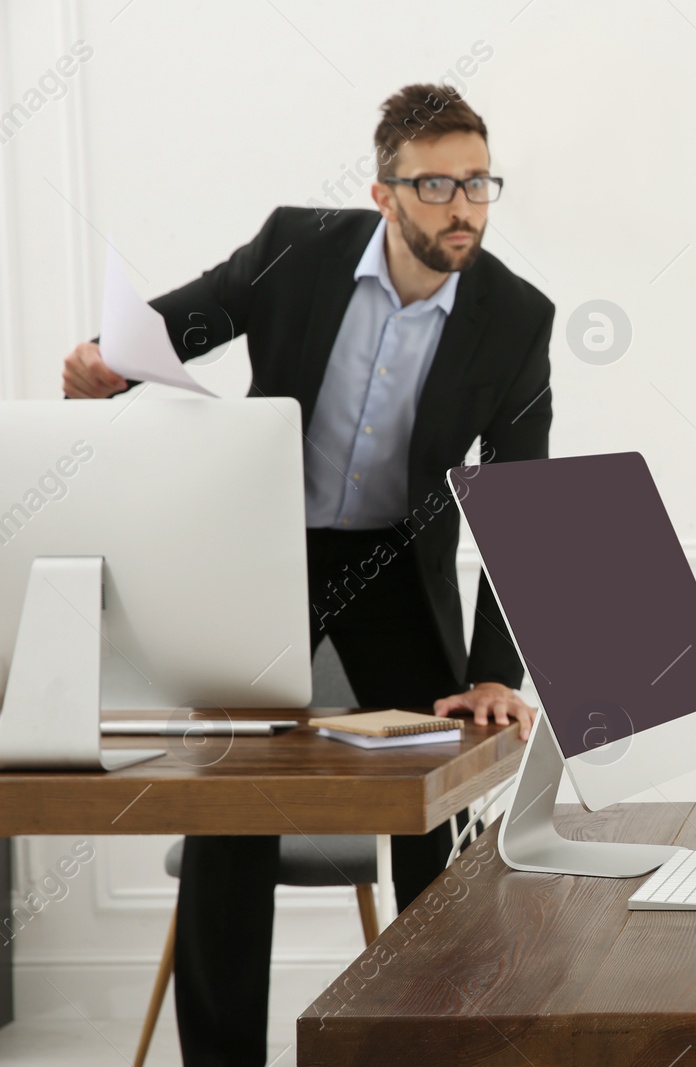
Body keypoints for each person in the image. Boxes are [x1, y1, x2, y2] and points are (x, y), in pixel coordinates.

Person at [62, 83, 552, 1067]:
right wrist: (107, 359)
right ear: (384, 193)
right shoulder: (298, 243)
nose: (464, 206)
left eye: (479, 183)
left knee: (438, 795)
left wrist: (501, 669)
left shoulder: (514, 315)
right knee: (231, 801)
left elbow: (524, 502)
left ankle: (430, 1042)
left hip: (393, 567)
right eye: (437, 185)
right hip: (265, 550)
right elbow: (179, 324)